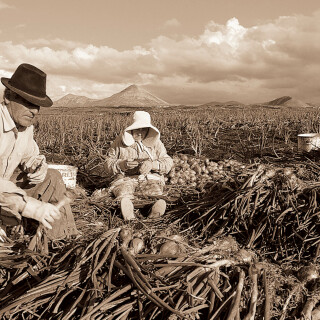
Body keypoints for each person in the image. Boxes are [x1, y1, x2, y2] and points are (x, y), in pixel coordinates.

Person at [0, 63, 78, 240]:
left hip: (6, 194)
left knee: (53, 176)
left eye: (37, 105)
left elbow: (31, 156)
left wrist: (37, 166)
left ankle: (60, 240)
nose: (34, 111)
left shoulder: (24, 127)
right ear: (8, 97)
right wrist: (29, 206)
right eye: (28, 103)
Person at [105, 110, 173, 220]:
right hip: (125, 179)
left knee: (154, 192)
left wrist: (152, 164)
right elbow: (108, 163)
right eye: (137, 129)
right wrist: (122, 164)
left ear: (148, 130)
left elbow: (168, 162)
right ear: (131, 129)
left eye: (144, 129)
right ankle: (128, 213)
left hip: (149, 178)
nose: (140, 132)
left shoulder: (156, 143)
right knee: (123, 192)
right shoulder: (119, 143)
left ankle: (153, 211)